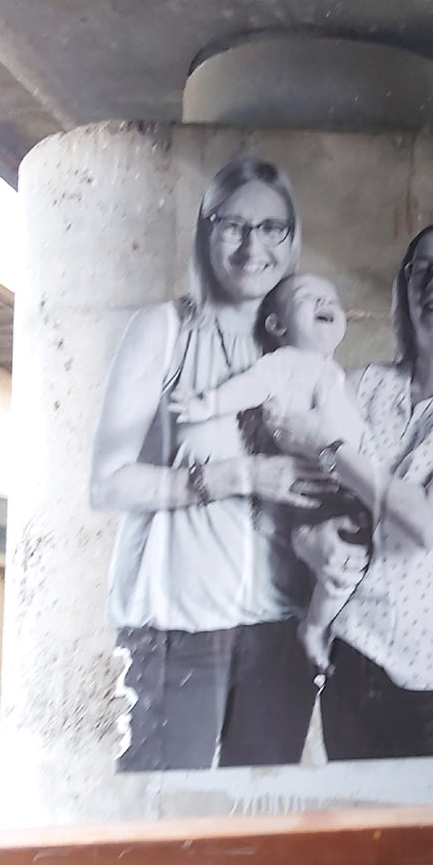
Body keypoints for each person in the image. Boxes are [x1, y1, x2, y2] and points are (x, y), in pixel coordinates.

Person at [90, 156, 329, 771]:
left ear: (292, 237)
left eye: (272, 227)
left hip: (280, 632)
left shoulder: (299, 348)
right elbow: (107, 483)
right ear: (206, 230)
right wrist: (237, 477)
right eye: (233, 225)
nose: (254, 246)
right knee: (168, 833)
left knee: (261, 839)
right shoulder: (165, 330)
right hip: (179, 633)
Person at [265, 222, 433, 761]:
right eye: (422, 269)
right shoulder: (363, 385)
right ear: (405, 289)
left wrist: (329, 450)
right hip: (353, 663)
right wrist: (305, 541)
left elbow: (430, 522)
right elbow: (299, 500)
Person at [169, 272, 371, 672]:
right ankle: (314, 628)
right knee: (342, 563)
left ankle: (322, 623)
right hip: (316, 491)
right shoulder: (286, 363)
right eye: (307, 297)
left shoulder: (339, 375)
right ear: (277, 327)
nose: (324, 302)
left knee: (354, 563)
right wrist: (209, 404)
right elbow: (250, 386)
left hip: (349, 485)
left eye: (331, 297)